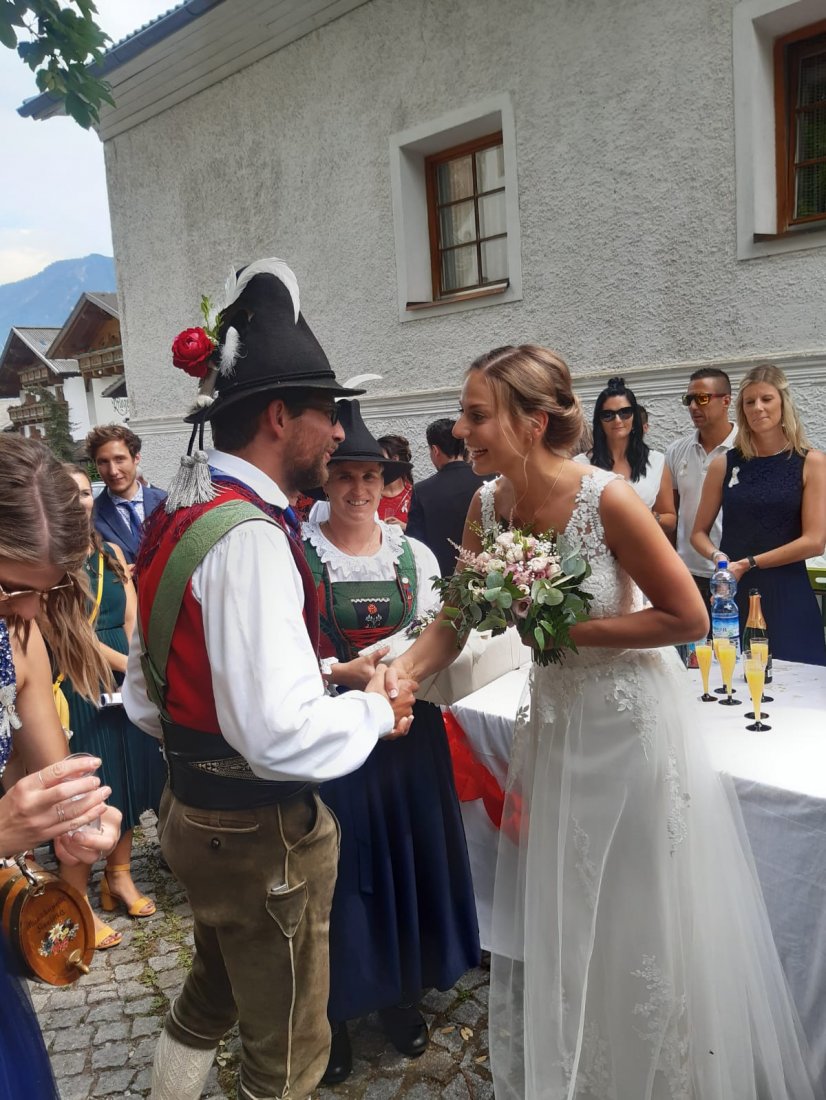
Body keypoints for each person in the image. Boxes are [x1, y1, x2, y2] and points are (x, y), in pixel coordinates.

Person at [389, 344, 820, 1099]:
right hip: (557, 729)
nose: (460, 430)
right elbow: (456, 614)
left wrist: (567, 631)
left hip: (627, 732)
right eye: (463, 414)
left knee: (637, 913)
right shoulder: (486, 506)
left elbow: (687, 617)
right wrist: (405, 673)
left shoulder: (608, 500)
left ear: (532, 421)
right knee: (570, 906)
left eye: (476, 414)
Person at [123, 259, 416, 1100]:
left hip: (193, 811)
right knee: (286, 1059)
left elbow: (149, 693)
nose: (338, 433)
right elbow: (279, 735)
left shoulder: (184, 507)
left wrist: (314, 674)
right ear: (280, 416)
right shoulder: (249, 534)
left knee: (208, 996)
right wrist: (371, 708)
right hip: (256, 834)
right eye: (328, 413)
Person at [302, 401, 480, 1084]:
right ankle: (333, 1014)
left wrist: (396, 680)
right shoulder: (299, 553)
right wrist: (336, 671)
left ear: (388, 482)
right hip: (335, 733)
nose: (358, 489)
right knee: (341, 875)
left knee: (407, 860)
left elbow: (439, 631)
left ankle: (401, 993)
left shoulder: (415, 553)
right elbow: (287, 650)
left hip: (408, 732)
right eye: (345, 476)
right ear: (326, 480)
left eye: (370, 477)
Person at [0, 436, 121, 1099]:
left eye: (44, 593)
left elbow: (54, 777)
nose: (27, 612)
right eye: (9, 587)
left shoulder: (17, 636)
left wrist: (84, 819)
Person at [58, 466, 166, 950]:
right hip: (80, 681)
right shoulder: (50, 561)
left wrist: (137, 668)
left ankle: (118, 877)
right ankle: (75, 900)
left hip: (123, 681)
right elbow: (73, 635)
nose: (79, 501)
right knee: (87, 793)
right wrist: (135, 668)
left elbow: (130, 617)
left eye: (85, 493)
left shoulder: (112, 554)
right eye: (67, 493)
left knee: (126, 778)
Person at [691, 363, 826, 664]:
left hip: (788, 594)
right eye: (749, 402)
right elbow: (697, 533)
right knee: (731, 680)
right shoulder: (724, 464)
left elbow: (815, 542)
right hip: (733, 596)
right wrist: (719, 558)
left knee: (799, 683)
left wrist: (750, 563)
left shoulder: (811, 462)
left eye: (766, 399)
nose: (758, 408)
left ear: (783, 403)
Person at [666, 368, 736, 623]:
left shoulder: (746, 447)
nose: (694, 406)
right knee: (693, 646)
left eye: (702, 398)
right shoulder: (677, 450)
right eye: (689, 400)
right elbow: (672, 512)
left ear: (726, 400)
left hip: (734, 570)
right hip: (687, 572)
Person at [575, 376, 676, 535]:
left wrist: (648, 517)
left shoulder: (656, 461)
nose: (617, 420)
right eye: (608, 415)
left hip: (641, 544)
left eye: (625, 413)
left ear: (635, 417)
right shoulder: (580, 464)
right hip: (599, 546)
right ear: (599, 421)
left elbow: (670, 520)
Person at [406, 417, 486, 577]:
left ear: (435, 450)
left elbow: (415, 544)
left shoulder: (423, 490)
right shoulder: (489, 480)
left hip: (440, 578)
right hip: (489, 577)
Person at [87, 425, 167, 564]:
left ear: (136, 458)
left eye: (119, 459)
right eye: (103, 462)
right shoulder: (91, 516)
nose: (113, 471)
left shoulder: (166, 502)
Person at [376, 433, 413, 527]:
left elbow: (425, 530)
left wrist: (405, 527)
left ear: (395, 459)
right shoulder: (372, 494)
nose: (376, 462)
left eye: (380, 457)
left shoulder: (414, 495)